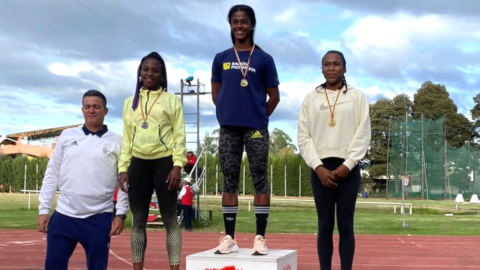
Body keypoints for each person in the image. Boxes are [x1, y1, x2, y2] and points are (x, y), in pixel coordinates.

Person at [211, 4, 280, 255]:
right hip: (229, 128)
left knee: (259, 180)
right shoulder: (221, 58)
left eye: (244, 21)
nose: (239, 26)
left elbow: (274, 97)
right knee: (229, 181)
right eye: (234, 21)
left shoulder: (264, 59)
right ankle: (229, 237)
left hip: (256, 129)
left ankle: (260, 237)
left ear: (252, 25)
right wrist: (227, 113)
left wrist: (259, 117)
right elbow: (216, 93)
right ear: (230, 25)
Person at [37, 90, 128, 270]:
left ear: (105, 111)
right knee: (53, 266)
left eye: (96, 107)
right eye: (87, 107)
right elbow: (52, 173)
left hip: (99, 217)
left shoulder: (118, 141)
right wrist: (44, 209)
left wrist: (120, 214)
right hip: (64, 216)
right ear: (82, 109)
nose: (91, 110)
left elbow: (124, 182)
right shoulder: (67, 136)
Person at [297, 50, 371, 270]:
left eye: (336, 64)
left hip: (347, 170)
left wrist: (348, 165)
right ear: (322, 68)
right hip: (321, 170)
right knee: (325, 225)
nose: (331, 68)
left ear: (344, 68)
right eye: (326, 64)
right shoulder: (311, 98)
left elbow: (363, 133)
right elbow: (303, 137)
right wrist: (318, 167)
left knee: (346, 225)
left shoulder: (357, 97)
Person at [118, 51, 187, 270]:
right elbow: (127, 138)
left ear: (162, 75)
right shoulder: (130, 102)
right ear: (139, 73)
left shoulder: (171, 100)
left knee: (170, 223)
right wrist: (122, 168)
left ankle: (174, 268)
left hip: (164, 164)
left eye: (155, 70)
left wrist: (178, 165)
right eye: (146, 69)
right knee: (138, 222)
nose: (150, 73)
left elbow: (180, 136)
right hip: (138, 164)